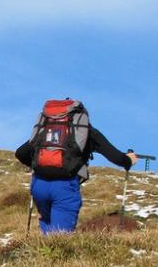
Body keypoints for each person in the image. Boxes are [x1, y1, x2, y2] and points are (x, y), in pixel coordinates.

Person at [15, 99, 136, 234]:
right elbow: (116, 157)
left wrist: (39, 164)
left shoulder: (45, 130)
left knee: (48, 229)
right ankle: (54, 254)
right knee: (60, 238)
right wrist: (128, 160)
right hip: (65, 186)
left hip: (39, 184)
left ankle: (43, 252)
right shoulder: (85, 130)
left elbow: (20, 153)